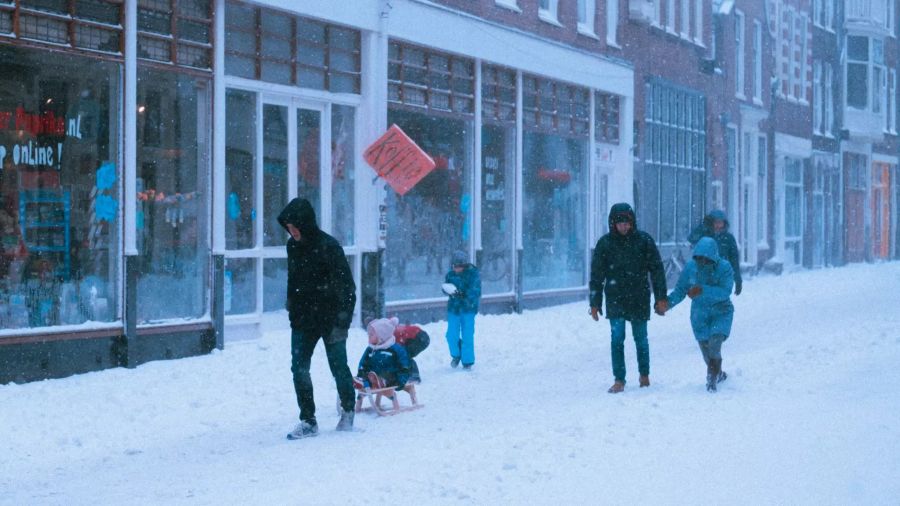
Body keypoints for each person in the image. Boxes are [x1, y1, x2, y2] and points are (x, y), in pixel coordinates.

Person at [278, 197, 357, 439]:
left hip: (331, 318)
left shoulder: (329, 247)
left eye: (295, 228)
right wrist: (293, 309)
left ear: (305, 224)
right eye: (289, 229)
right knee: (299, 368)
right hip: (303, 319)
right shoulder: (293, 247)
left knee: (338, 366)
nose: (292, 233)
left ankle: (348, 409)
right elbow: (294, 281)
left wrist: (342, 319)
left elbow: (347, 287)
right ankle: (308, 420)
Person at [589, 203, 667, 393]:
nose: (624, 227)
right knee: (617, 339)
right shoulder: (605, 244)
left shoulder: (644, 241)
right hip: (615, 299)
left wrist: (660, 298)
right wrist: (595, 302)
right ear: (613, 224)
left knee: (641, 338)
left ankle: (644, 375)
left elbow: (657, 271)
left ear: (632, 222)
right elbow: (597, 275)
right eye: (620, 223)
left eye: (627, 223)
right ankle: (619, 379)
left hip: (639, 297)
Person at [663, 237, 735, 393]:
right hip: (699, 314)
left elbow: (725, 291)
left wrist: (702, 290)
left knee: (715, 344)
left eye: (706, 259)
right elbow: (681, 290)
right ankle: (718, 373)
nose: (702, 262)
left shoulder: (725, 268)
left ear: (713, 256)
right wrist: (667, 304)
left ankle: (711, 380)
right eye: (699, 258)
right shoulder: (690, 268)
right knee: (706, 352)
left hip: (721, 311)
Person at [688, 210, 743, 295]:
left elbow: (734, 260)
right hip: (704, 276)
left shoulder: (728, 238)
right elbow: (691, 238)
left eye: (720, 222)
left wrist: (738, 280)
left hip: (722, 276)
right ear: (711, 223)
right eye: (716, 222)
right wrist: (703, 226)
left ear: (724, 223)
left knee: (720, 302)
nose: (718, 225)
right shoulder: (704, 235)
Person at [444, 250, 481, 369]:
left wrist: (462, 295)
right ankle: (456, 354)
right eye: (454, 266)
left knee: (467, 335)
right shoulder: (450, 275)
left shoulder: (473, 274)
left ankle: (467, 361)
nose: (456, 269)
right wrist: (447, 290)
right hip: (454, 309)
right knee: (451, 335)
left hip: (468, 309)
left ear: (464, 265)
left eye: (458, 266)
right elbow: (446, 287)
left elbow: (476, 291)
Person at [356, 317, 411, 390]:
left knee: (386, 376)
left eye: (371, 335)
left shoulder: (395, 349)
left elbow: (404, 366)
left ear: (381, 336)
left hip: (391, 377)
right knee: (369, 375)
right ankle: (361, 381)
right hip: (373, 375)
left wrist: (401, 380)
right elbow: (363, 362)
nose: (369, 337)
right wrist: (361, 371)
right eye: (368, 334)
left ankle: (379, 382)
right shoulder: (370, 349)